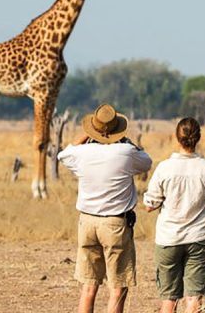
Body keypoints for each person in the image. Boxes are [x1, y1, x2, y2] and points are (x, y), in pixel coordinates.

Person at [57, 104, 152, 313]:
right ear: (118, 129)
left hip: (87, 222)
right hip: (115, 224)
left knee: (89, 286)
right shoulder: (126, 151)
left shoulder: (82, 153)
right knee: (117, 288)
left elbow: (63, 155)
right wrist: (127, 141)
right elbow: (147, 161)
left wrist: (84, 136)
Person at [143, 117, 205, 313]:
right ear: (198, 137)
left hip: (168, 238)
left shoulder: (164, 167)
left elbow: (149, 205)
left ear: (177, 137)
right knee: (194, 297)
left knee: (169, 299)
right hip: (200, 237)